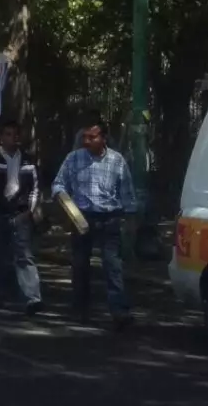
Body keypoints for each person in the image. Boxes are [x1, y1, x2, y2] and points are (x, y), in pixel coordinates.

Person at [52, 119, 136, 330]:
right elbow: (58, 184)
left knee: (113, 266)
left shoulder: (117, 161)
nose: (87, 141)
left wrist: (131, 220)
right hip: (82, 218)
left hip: (109, 219)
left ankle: (119, 311)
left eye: (92, 137)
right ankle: (80, 309)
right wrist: (63, 199)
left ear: (103, 138)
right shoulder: (73, 159)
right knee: (80, 265)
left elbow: (127, 194)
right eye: (85, 137)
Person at [0, 120, 42, 314]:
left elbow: (35, 188)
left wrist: (30, 211)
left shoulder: (28, 161)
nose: (11, 138)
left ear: (19, 137)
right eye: (7, 134)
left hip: (20, 213)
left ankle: (32, 297)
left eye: (14, 134)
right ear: (1, 138)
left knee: (24, 255)